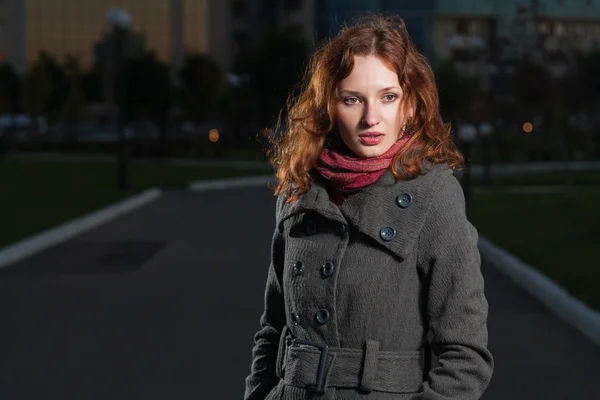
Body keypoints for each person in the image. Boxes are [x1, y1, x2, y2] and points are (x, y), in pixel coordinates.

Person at [244, 14, 494, 400]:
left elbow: (464, 357)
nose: (370, 118)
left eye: (387, 96)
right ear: (330, 105)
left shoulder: (435, 195)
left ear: (410, 104)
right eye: (352, 99)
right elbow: (273, 330)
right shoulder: (298, 191)